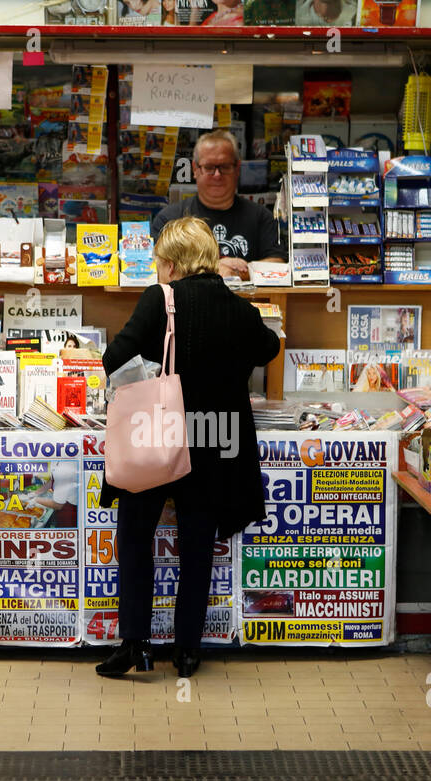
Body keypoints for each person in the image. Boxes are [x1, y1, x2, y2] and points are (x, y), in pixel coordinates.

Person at [96, 217, 280, 679]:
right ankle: (187, 652)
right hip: (215, 441)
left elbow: (114, 357)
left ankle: (135, 645)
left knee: (137, 537)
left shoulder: (161, 298)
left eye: (160, 261)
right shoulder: (239, 308)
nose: (158, 269)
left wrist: (156, 375)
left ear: (173, 264)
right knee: (196, 547)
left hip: (157, 435)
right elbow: (269, 349)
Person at [150, 130, 284, 281]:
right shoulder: (169, 219)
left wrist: (239, 273)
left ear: (237, 168)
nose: (217, 175)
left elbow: (278, 264)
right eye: (209, 167)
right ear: (195, 169)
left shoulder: (261, 217)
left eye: (225, 166)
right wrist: (216, 268)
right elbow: (156, 269)